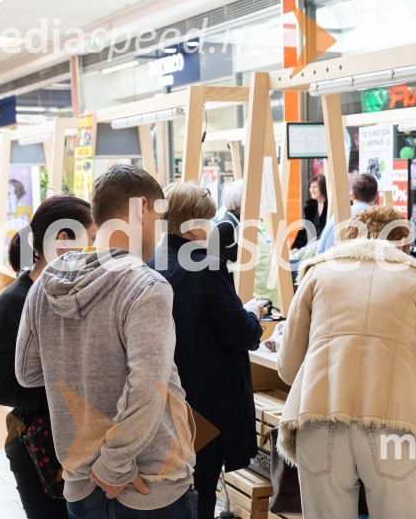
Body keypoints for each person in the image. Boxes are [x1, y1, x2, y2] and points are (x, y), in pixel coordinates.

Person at [16, 164, 197, 519]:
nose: (160, 233)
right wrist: (113, 467)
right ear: (141, 208)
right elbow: (147, 389)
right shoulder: (146, 285)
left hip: (80, 482)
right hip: (149, 483)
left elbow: (27, 372)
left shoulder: (47, 282)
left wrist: (78, 363)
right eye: (160, 219)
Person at [277, 206, 416, 519]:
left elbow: (288, 368)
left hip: (319, 419)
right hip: (395, 425)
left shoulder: (317, 273)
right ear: (403, 243)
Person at [151, 181, 265, 519]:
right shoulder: (206, 266)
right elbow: (240, 333)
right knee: (200, 493)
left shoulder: (152, 261)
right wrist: (252, 314)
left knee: (176, 492)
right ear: (193, 224)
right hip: (207, 403)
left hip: (164, 399)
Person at [0, 195, 94, 519]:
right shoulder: (13, 303)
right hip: (38, 446)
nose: (92, 250)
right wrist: (71, 397)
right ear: (63, 239)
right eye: (90, 239)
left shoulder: (72, 293)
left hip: (78, 442)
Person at [214, 179, 280, 308]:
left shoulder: (247, 221)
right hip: (250, 298)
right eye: (255, 197)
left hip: (262, 294)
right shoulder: (228, 226)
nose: (259, 201)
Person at [316, 173, 378, 254]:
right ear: (376, 195)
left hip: (336, 260)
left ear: (352, 195)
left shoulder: (338, 215)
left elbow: (321, 248)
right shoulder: (381, 217)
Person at [290, 175, 327, 251]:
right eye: (310, 187)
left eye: (315, 187)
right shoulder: (310, 208)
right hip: (312, 249)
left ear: (323, 188)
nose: (311, 190)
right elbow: (304, 231)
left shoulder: (330, 206)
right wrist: (296, 247)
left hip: (326, 248)